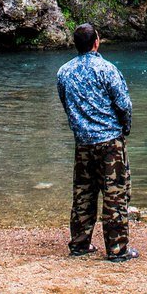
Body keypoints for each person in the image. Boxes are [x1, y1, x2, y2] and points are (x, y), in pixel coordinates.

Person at [56, 23, 137, 262]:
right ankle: (117, 250)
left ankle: (80, 244)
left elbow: (66, 104)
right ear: (96, 42)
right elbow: (124, 104)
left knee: (83, 194)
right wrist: (125, 129)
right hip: (110, 143)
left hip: (83, 143)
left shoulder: (64, 72)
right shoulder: (107, 69)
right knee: (115, 196)